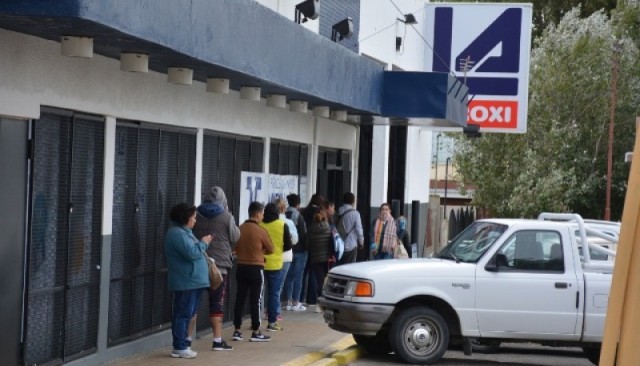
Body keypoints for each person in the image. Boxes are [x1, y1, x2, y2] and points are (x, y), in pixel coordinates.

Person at [192, 186, 240, 351]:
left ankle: (187, 340)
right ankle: (217, 340)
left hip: (199, 264)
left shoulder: (196, 215)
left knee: (194, 303)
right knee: (216, 303)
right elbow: (235, 237)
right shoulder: (227, 216)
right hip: (219, 267)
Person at [164, 203, 212, 359]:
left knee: (188, 313)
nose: (195, 221)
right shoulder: (177, 234)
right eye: (193, 217)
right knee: (183, 313)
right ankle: (180, 346)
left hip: (193, 281)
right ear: (185, 218)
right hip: (186, 281)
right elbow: (191, 253)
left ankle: (182, 344)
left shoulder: (185, 232)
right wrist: (204, 242)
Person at [233, 201, 273, 342]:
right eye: (262, 214)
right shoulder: (261, 231)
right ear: (257, 214)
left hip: (241, 267)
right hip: (256, 268)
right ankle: (256, 331)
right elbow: (271, 249)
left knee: (240, 298)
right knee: (256, 300)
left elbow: (234, 248)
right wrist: (261, 251)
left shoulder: (240, 228)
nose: (263, 217)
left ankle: (237, 330)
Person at [259, 202, 292, 331]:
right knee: (274, 293)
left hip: (260, 263)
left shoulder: (260, 225)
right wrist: (277, 250)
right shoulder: (282, 225)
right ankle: (272, 322)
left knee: (258, 294)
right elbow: (288, 246)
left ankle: (256, 321)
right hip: (276, 264)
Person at [303, 194, 332, 313]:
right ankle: (325, 303)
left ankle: (315, 301)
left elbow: (307, 244)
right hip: (327, 258)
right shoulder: (328, 228)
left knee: (317, 280)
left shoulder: (311, 229)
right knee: (326, 280)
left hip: (315, 258)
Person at [275, 197, 299, 317]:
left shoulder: (268, 222)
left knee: (271, 285)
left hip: (271, 256)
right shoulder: (288, 223)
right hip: (285, 256)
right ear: (284, 208)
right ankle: (275, 311)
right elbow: (295, 240)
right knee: (279, 284)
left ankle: (270, 310)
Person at [284, 193, 308, 311]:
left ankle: (288, 301)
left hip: (287, 250)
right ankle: (296, 302)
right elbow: (303, 234)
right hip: (299, 250)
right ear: (298, 204)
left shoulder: (284, 215)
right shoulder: (299, 216)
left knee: (289, 276)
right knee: (298, 276)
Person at [336, 192, 364, 265]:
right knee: (349, 268)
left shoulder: (339, 211)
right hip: (351, 245)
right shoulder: (355, 214)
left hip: (339, 244)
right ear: (353, 201)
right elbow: (359, 230)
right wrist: (361, 242)